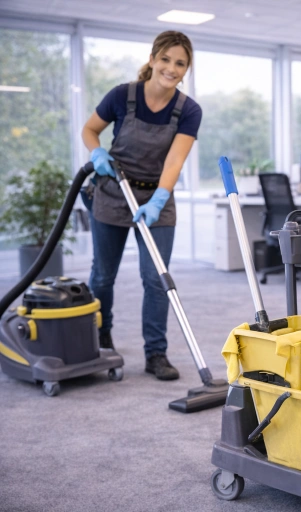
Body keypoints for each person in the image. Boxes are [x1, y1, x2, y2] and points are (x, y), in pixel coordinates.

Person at [81, 31, 202, 380]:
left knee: (156, 278)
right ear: (152, 60)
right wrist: (97, 151)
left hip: (157, 197)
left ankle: (156, 353)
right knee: (103, 274)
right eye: (165, 59)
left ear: (185, 70)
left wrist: (160, 198)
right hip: (112, 192)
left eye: (180, 63)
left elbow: (175, 161)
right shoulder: (123, 95)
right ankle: (101, 338)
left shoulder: (188, 110)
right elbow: (90, 129)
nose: (171, 68)